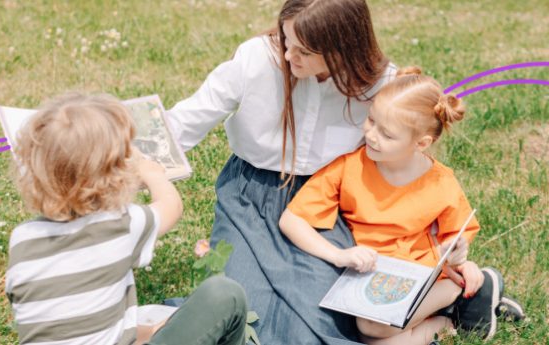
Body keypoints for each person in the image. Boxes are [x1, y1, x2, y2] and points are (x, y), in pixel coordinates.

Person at [167, 0, 396, 343]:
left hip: (325, 205)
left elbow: (409, 147)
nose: (289, 56)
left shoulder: (376, 81)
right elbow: (186, 120)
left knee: (319, 320)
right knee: (244, 314)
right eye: (286, 40)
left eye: (304, 50)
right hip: (249, 197)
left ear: (342, 49)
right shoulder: (257, 58)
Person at [280, 66, 505, 344]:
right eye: (371, 120)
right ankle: (452, 316)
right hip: (375, 279)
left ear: (421, 143)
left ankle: (457, 295)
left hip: (422, 277)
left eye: (387, 134)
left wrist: (458, 257)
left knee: (372, 329)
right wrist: (338, 256)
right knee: (376, 338)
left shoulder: (440, 182)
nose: (372, 135)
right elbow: (291, 220)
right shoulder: (349, 168)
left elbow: (455, 239)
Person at [4, 93, 248, 345]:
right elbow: (171, 206)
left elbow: (76, 324)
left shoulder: (22, 239)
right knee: (224, 295)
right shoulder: (120, 225)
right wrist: (152, 173)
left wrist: (151, 332)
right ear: (116, 175)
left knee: (159, 321)